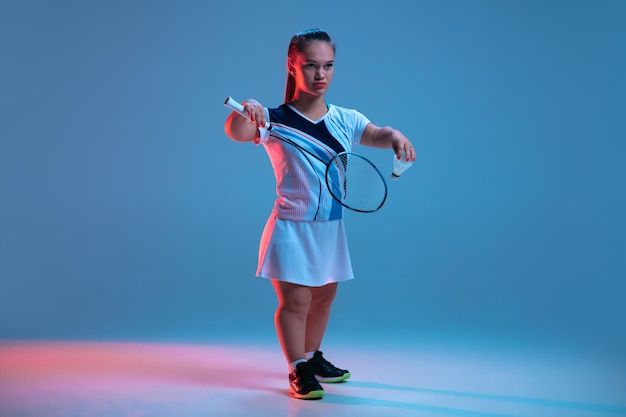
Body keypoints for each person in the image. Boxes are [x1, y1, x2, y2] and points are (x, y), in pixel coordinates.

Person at [223, 28, 416, 400]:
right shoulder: (274, 120)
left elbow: (376, 133)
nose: (320, 74)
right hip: (290, 228)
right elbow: (237, 130)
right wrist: (249, 108)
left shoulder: (345, 118)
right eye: (310, 65)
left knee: (324, 299)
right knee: (296, 303)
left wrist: (395, 136)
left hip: (330, 227)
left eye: (327, 65)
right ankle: (297, 368)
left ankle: (311, 357)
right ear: (292, 66)